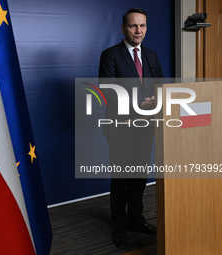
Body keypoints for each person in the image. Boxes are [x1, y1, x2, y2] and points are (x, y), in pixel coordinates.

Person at [98, 8, 164, 248]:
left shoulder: (152, 56)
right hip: (120, 129)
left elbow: (160, 86)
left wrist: (158, 99)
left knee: (139, 177)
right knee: (121, 178)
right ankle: (120, 226)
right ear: (124, 28)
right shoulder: (110, 55)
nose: (139, 31)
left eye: (143, 26)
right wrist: (139, 103)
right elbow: (107, 91)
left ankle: (136, 219)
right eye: (134, 26)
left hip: (145, 128)